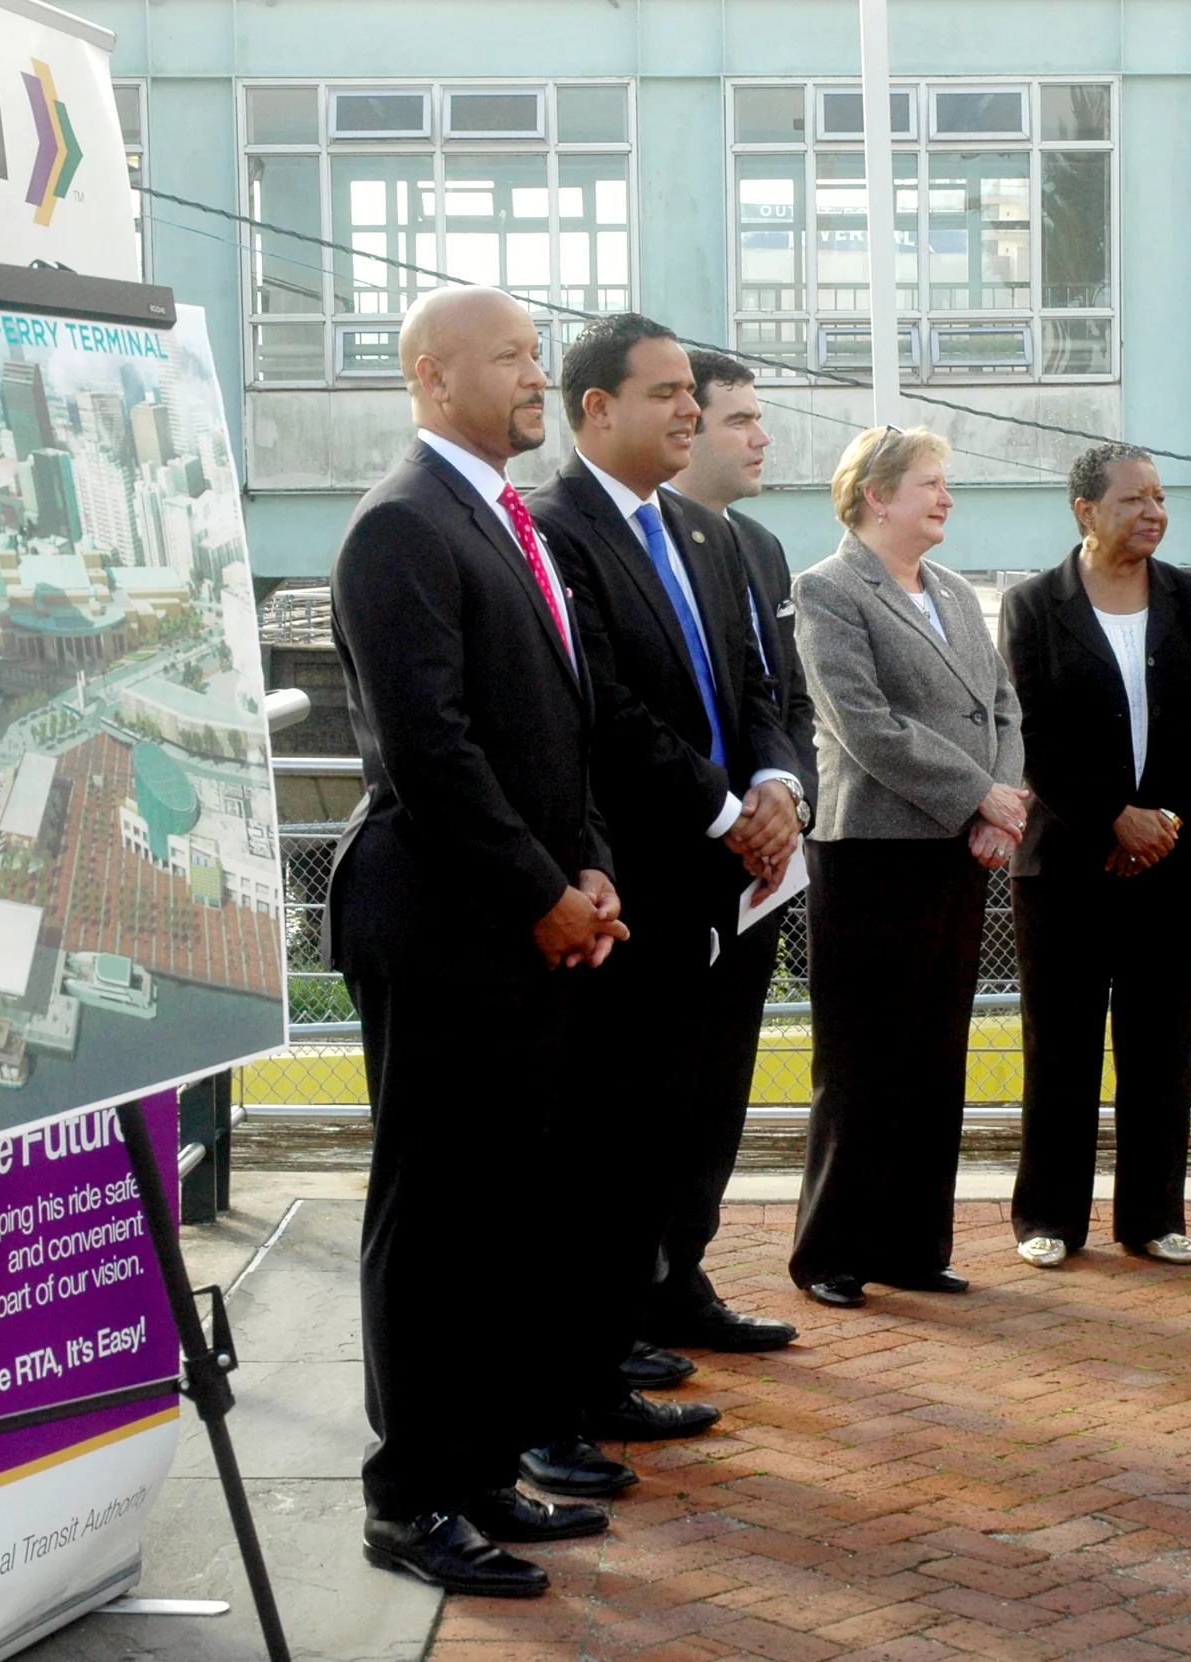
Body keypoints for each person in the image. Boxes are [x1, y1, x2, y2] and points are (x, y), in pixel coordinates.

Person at [326, 286, 627, 1597]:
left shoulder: (511, 522)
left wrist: (597, 864)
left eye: (535, 355)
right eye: (508, 355)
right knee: (434, 1215)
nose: (533, 375)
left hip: (527, 922)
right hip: (446, 925)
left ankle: (482, 1464)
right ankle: (411, 1497)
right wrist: (539, 892)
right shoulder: (400, 525)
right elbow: (430, 753)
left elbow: (562, 726)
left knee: (504, 1214)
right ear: (426, 372)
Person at [522, 314, 804, 1495]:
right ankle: (574, 1383)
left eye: (697, 394)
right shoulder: (555, 528)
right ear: (597, 409)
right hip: (626, 879)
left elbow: (750, 687)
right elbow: (609, 709)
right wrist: (721, 810)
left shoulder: (702, 530)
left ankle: (609, 1364)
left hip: (722, 882)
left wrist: (778, 786)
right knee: (595, 1151)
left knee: (660, 1137)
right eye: (668, 394)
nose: (691, 411)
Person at [788, 425, 1025, 1310]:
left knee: (935, 1055)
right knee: (863, 1059)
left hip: (958, 851)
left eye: (946, 483)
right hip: (871, 852)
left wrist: (1001, 799)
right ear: (876, 496)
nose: (946, 497)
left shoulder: (958, 593)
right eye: (930, 483)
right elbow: (862, 723)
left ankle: (911, 1245)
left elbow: (1002, 704)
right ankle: (831, 1253)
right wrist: (981, 797)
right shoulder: (826, 589)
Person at [1002, 444, 1191, 1270]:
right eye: (1134, 499)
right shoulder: (1033, 604)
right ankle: (1048, 1217)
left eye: (1160, 498)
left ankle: (1153, 1215)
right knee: (1058, 1040)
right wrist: (1111, 822)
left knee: (1162, 1038)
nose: (1154, 512)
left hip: (1170, 855)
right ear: (1085, 511)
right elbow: (1032, 733)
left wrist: (1160, 821)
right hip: (1065, 860)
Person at [646, 348, 815, 1353]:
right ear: (685, 427)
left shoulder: (754, 549)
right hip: (666, 863)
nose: (760, 437)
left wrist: (779, 791)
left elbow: (778, 697)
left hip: (757, 867)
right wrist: (726, 810)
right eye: (739, 419)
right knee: (649, 1103)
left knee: (719, 1093)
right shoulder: (611, 544)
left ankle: (684, 1281)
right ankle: (629, 1294)